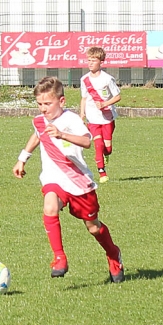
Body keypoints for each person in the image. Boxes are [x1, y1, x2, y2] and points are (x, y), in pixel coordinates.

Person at [13, 76, 125, 282]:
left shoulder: (71, 119)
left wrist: (62, 134)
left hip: (78, 181)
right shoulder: (40, 121)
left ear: (61, 101)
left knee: (93, 227)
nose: (43, 109)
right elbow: (37, 135)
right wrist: (22, 158)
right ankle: (59, 258)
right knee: (49, 207)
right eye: (39, 104)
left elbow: (86, 141)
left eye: (48, 104)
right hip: (54, 178)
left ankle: (113, 253)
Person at [78, 46, 121, 184]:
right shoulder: (84, 79)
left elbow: (118, 96)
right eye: (89, 60)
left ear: (101, 62)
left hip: (107, 118)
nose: (90, 63)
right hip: (92, 118)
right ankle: (102, 173)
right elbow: (84, 98)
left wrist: (104, 104)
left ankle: (106, 154)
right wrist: (82, 114)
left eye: (93, 60)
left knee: (107, 148)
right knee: (98, 144)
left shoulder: (108, 79)